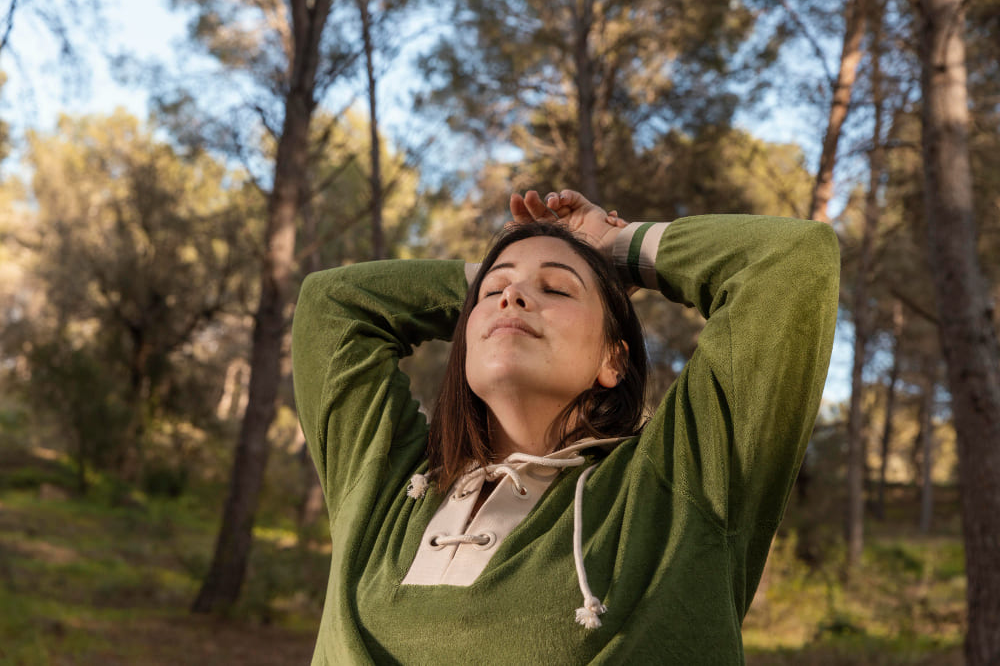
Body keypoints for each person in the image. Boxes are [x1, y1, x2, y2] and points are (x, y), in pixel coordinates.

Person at [291, 189, 839, 664]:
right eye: (491, 293)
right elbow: (332, 306)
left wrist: (617, 247)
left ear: (614, 360)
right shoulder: (386, 484)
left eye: (556, 290)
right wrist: (503, 271)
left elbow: (791, 259)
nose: (512, 296)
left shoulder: (675, 485)